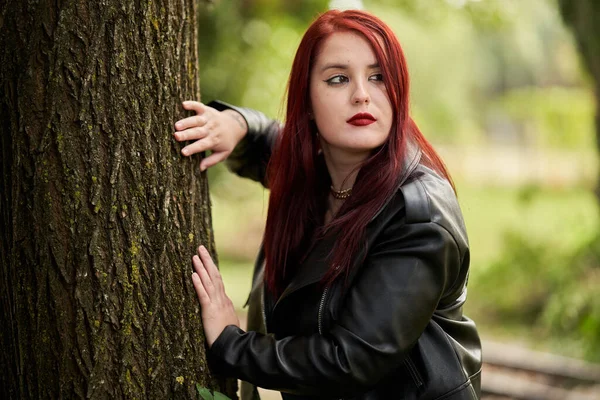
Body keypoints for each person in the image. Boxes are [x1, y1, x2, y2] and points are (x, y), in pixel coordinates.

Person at [174, 9, 481, 400]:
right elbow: (268, 140)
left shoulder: (419, 215)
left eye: (378, 77)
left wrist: (229, 343)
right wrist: (237, 123)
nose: (361, 94)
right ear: (307, 101)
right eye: (338, 79)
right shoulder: (316, 170)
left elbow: (350, 359)